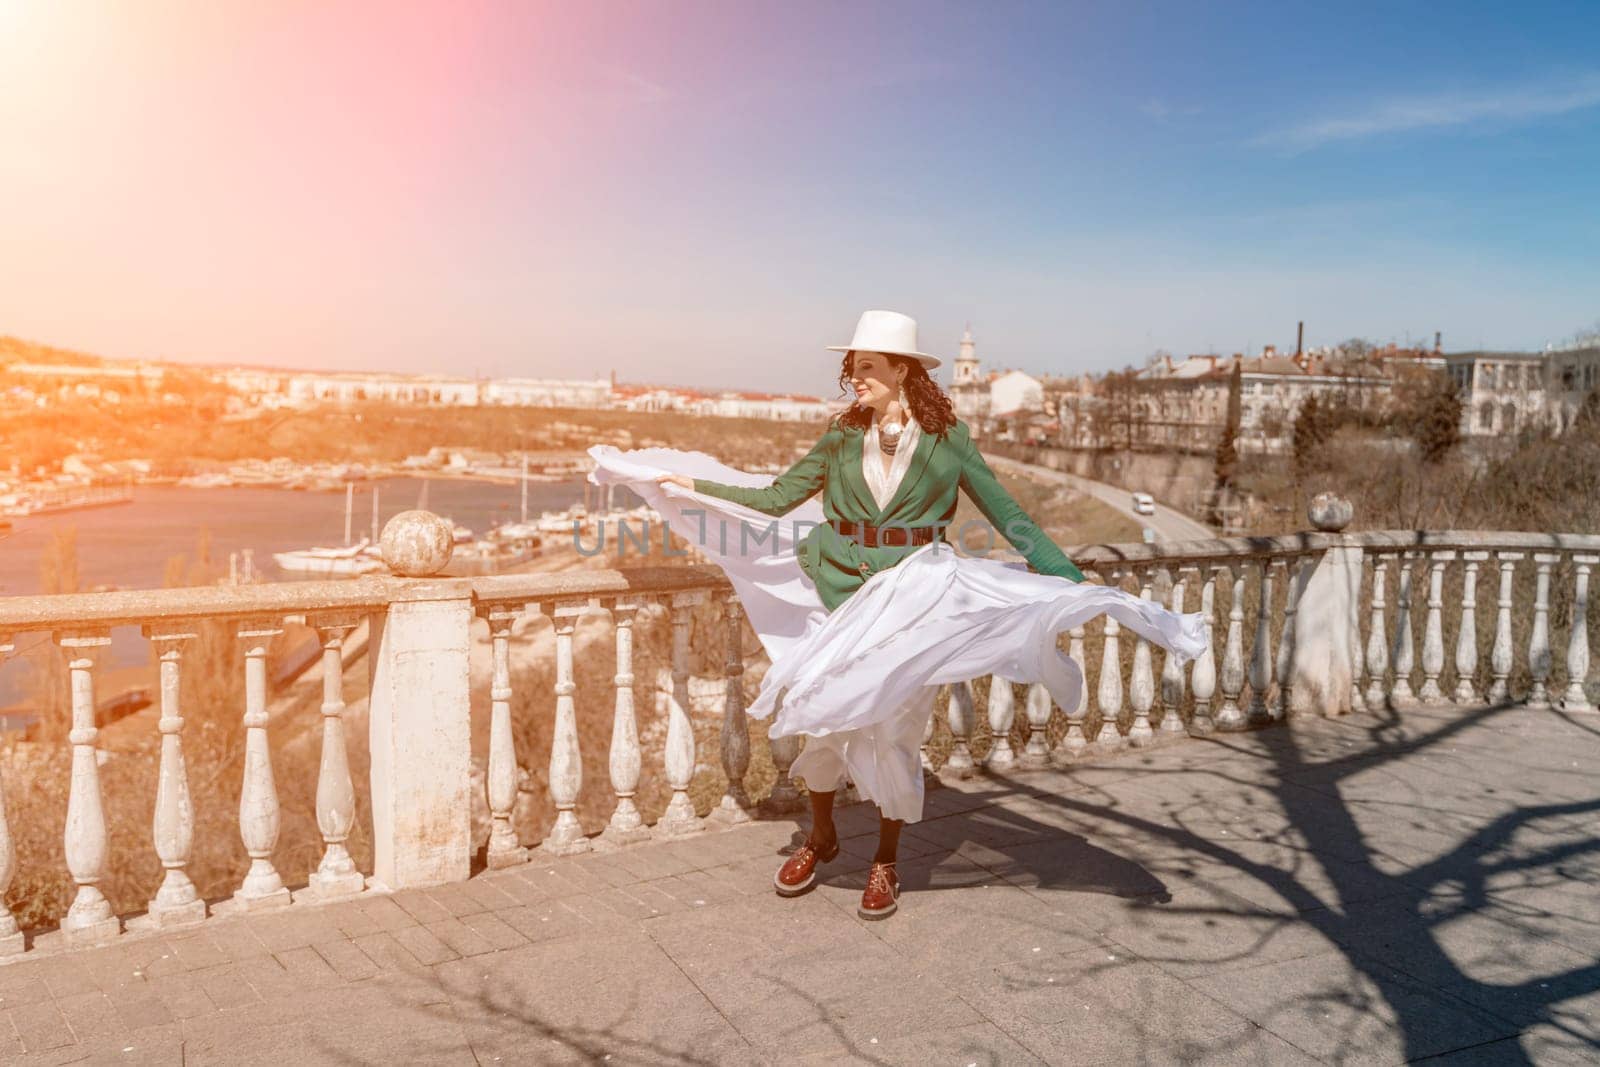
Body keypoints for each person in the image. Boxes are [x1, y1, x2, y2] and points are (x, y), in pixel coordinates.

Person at [589, 309, 1206, 920]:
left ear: (903, 370)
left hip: (915, 599)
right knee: (821, 716)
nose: (857, 377)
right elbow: (774, 499)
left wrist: (1068, 578)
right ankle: (821, 837)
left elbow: (1006, 513)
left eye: (869, 367)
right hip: (838, 589)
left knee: (895, 732)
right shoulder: (839, 435)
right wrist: (686, 487)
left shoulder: (948, 441)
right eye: (853, 367)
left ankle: (886, 859)